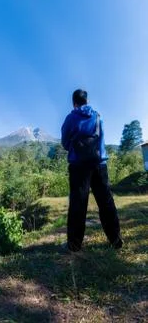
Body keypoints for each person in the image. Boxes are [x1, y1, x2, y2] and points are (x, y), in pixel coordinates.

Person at [61, 89, 122, 253]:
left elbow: (65, 143)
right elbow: (101, 139)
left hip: (78, 165)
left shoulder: (71, 118)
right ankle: (115, 240)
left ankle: (74, 245)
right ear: (86, 101)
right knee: (106, 201)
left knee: (78, 204)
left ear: (74, 103)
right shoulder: (98, 117)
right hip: (99, 163)